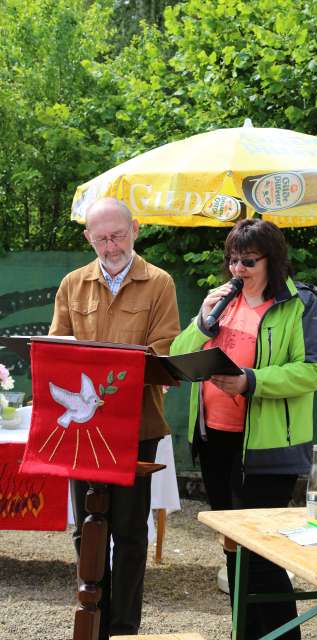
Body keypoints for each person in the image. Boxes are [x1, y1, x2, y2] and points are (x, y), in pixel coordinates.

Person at [171, 218, 317, 639]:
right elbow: (177, 356)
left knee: (261, 554)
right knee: (232, 546)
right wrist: (203, 322)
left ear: (272, 261)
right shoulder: (221, 301)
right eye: (231, 260)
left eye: (247, 261)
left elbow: (315, 371)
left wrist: (251, 382)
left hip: (268, 447)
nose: (237, 269)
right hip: (214, 439)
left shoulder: (302, 304)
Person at [49, 197, 180, 639]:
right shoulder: (71, 283)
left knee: (128, 534)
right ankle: (93, 621)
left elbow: (164, 350)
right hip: (81, 430)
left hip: (135, 428)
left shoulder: (159, 283)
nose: (110, 246)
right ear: (88, 238)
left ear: (136, 230)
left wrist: (112, 379)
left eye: (118, 235)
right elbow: (56, 348)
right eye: (101, 238)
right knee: (86, 529)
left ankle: (122, 629)